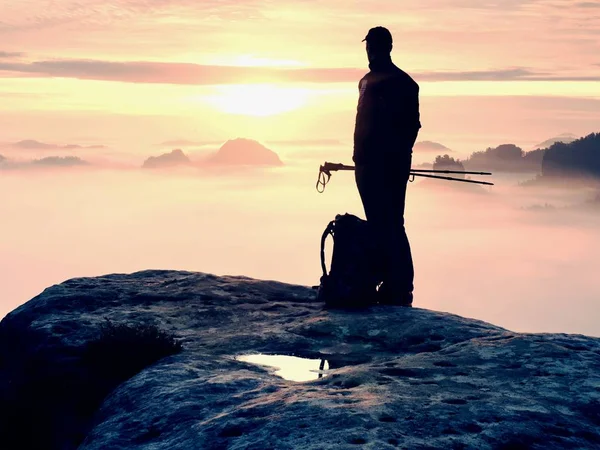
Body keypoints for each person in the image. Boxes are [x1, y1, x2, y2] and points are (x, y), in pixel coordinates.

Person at [352, 26, 421, 306]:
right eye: (369, 45)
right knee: (382, 223)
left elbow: (410, 127)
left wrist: (392, 156)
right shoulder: (368, 81)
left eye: (374, 45)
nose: (370, 50)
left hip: (384, 165)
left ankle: (399, 286)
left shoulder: (401, 83)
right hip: (368, 164)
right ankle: (389, 282)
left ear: (386, 48)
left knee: (390, 223)